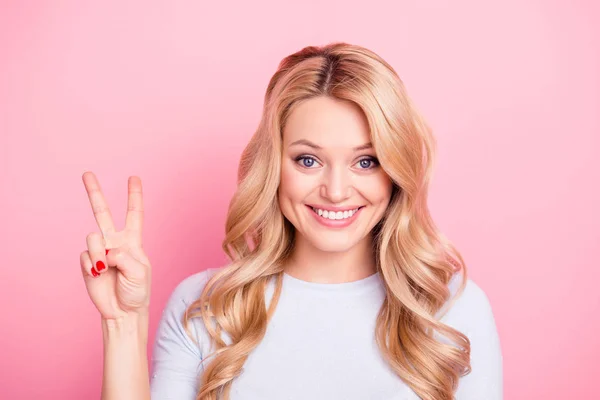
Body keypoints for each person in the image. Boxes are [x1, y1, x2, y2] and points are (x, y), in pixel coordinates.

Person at [80, 42, 502, 400]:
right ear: (273, 167)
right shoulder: (207, 308)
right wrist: (122, 323)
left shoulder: (452, 309)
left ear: (395, 171)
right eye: (308, 159)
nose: (336, 191)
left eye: (365, 161)